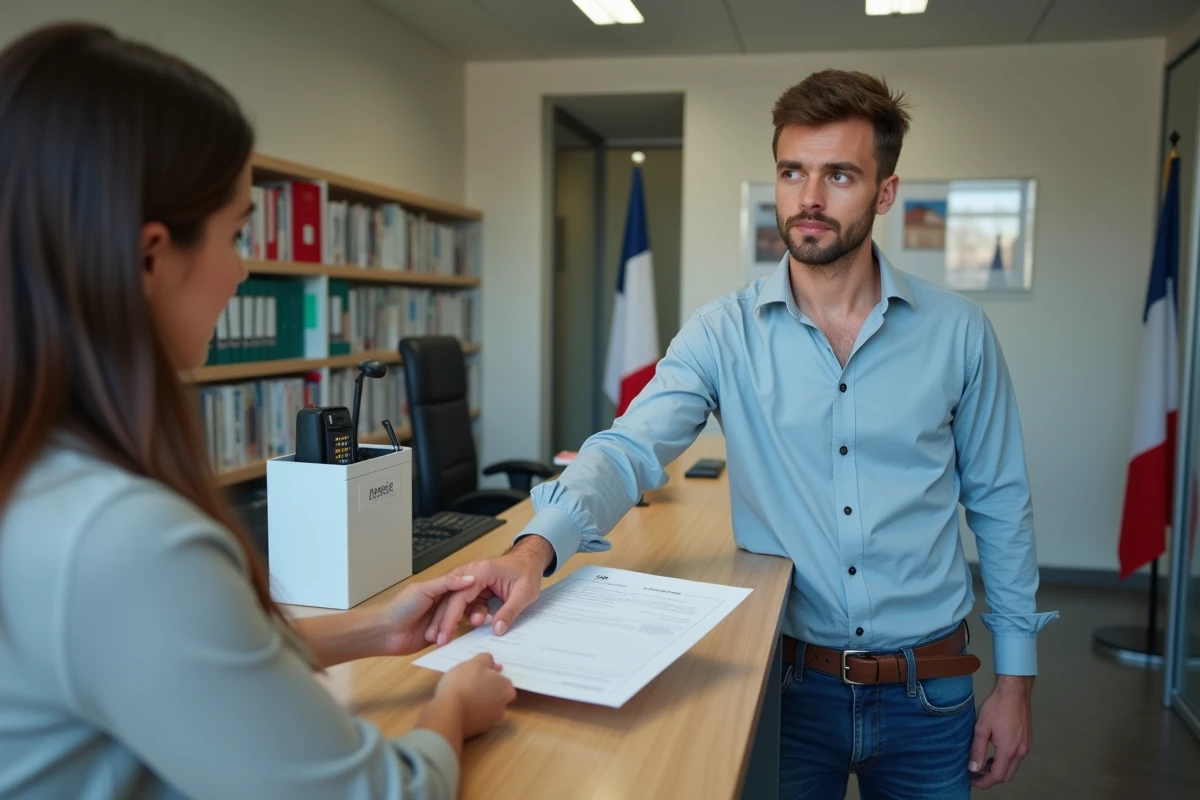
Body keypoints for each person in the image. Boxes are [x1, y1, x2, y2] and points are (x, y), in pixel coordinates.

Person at [426, 69, 1058, 798]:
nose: (810, 198)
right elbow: (628, 449)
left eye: (840, 175)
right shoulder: (724, 333)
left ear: (885, 192)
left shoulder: (960, 334)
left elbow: (1001, 504)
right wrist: (533, 548)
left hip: (931, 690)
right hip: (787, 684)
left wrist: (1016, 685)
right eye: (792, 172)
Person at [0, 22, 514, 800]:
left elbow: (168, 664)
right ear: (146, 256)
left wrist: (375, 629)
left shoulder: (41, 478)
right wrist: (452, 706)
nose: (244, 271)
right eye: (238, 234)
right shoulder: (120, 536)